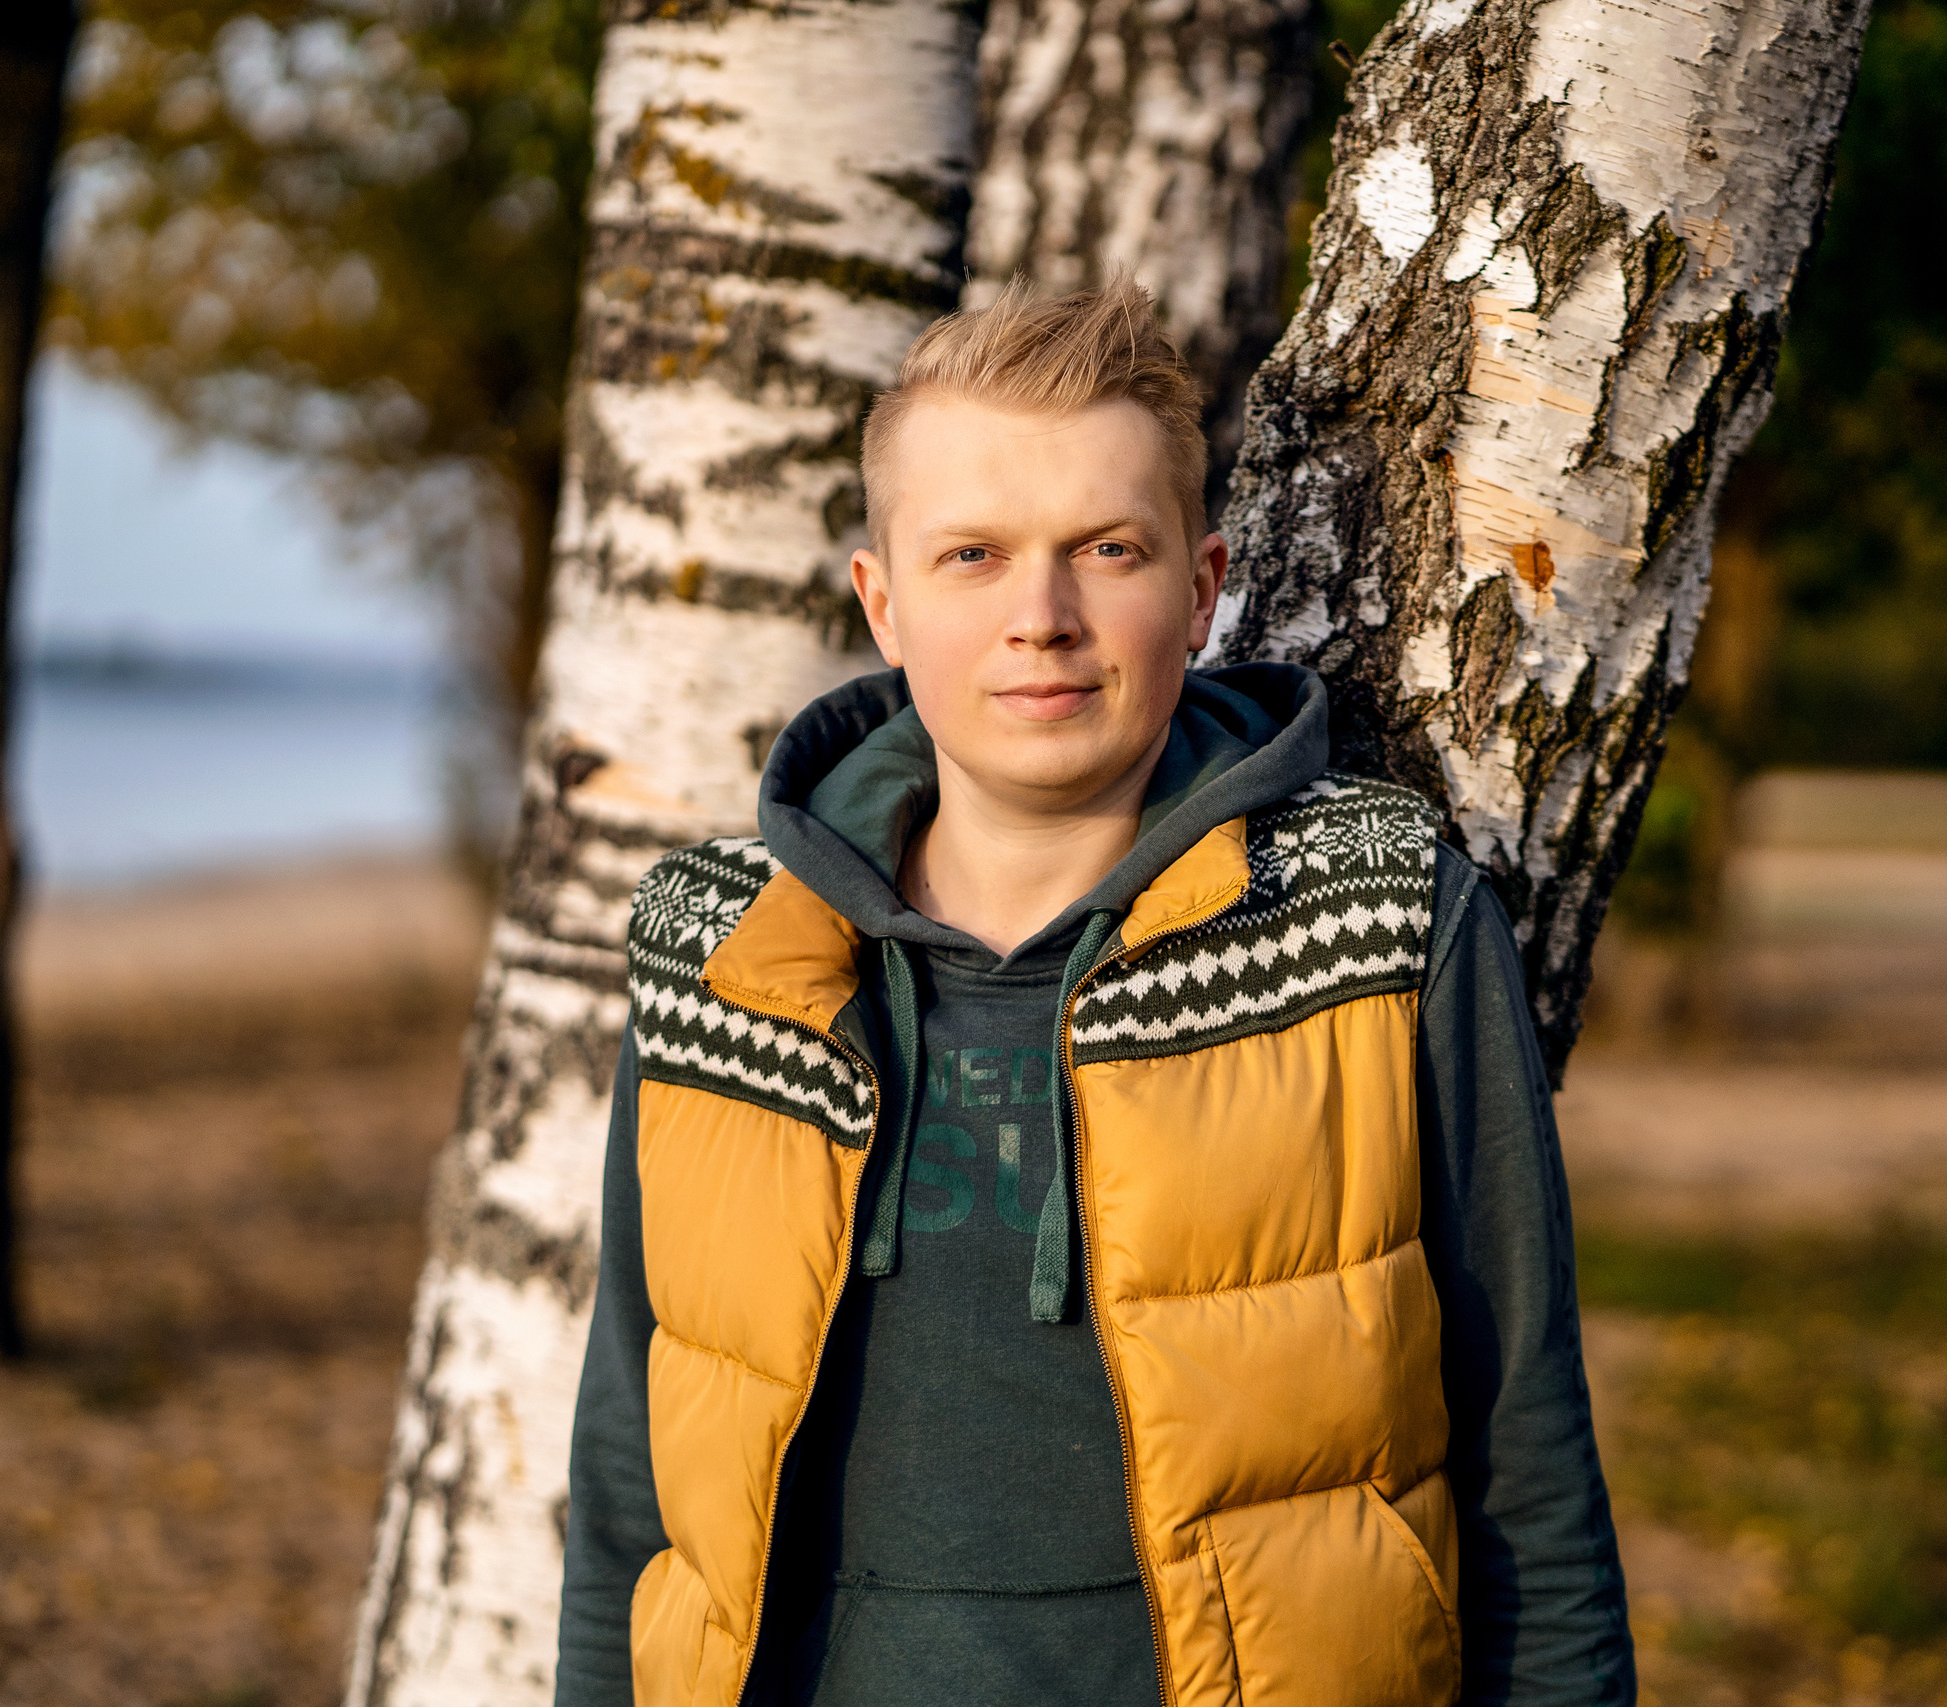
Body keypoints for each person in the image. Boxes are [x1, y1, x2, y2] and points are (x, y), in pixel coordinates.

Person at [555, 278, 1635, 1707]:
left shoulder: (1379, 921)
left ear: (1198, 589)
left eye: (1105, 550)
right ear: (882, 602)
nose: (1042, 618)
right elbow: (634, 1497)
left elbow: (1529, 1476)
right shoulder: (719, 954)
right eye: (973, 557)